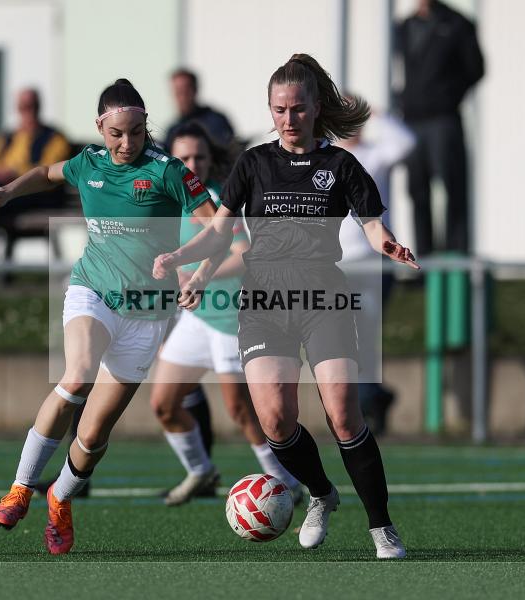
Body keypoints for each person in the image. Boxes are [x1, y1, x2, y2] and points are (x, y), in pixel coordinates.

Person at [153, 54, 419, 559]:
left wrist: (389, 244)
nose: (288, 118)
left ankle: (381, 527)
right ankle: (321, 493)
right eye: (279, 109)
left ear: (316, 109)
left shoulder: (341, 165)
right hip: (265, 302)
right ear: (270, 110)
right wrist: (181, 257)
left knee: (343, 415)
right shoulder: (254, 163)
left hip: (324, 297)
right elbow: (220, 232)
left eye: (298, 109)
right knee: (274, 420)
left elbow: (371, 224)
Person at [0, 79, 219, 555]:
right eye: (116, 133)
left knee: (92, 434)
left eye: (135, 132)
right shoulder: (88, 161)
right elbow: (47, 172)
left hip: (148, 312)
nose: (126, 143)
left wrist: (190, 267)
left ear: (147, 124)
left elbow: (215, 228)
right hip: (93, 291)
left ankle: (60, 500)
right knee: (77, 376)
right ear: (100, 127)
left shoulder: (169, 170)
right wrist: (8, 191)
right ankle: (20, 490)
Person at [151, 121, 302, 506]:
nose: (192, 163)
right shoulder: (166, 201)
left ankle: (287, 482)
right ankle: (201, 471)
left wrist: (197, 277)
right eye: (183, 157)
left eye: (199, 156)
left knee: (242, 412)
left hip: (232, 319)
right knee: (164, 405)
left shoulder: (214, 200)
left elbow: (241, 252)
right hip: (198, 319)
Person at [335, 107, 416, 435]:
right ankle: (372, 398)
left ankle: (367, 402)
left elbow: (407, 143)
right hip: (336, 263)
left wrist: (380, 115)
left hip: (370, 263)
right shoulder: (328, 157)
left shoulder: (375, 155)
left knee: (362, 332)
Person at [393, 0, 484, 256]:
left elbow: (476, 69)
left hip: (443, 119)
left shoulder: (457, 24)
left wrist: (447, 95)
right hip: (412, 122)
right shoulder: (404, 26)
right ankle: (423, 261)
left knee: (453, 188)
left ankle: (456, 260)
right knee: (417, 192)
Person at [0, 88, 70, 274]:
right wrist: (2, 175)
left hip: (36, 196)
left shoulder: (54, 138)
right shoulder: (7, 137)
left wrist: (14, 175)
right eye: (23, 107)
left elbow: (48, 171)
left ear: (39, 107)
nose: (27, 111)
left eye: (31, 106)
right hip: (8, 197)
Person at [163, 68, 235, 150]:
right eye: (177, 92)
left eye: (186, 91)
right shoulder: (172, 130)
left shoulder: (216, 122)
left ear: (195, 90)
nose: (182, 97)